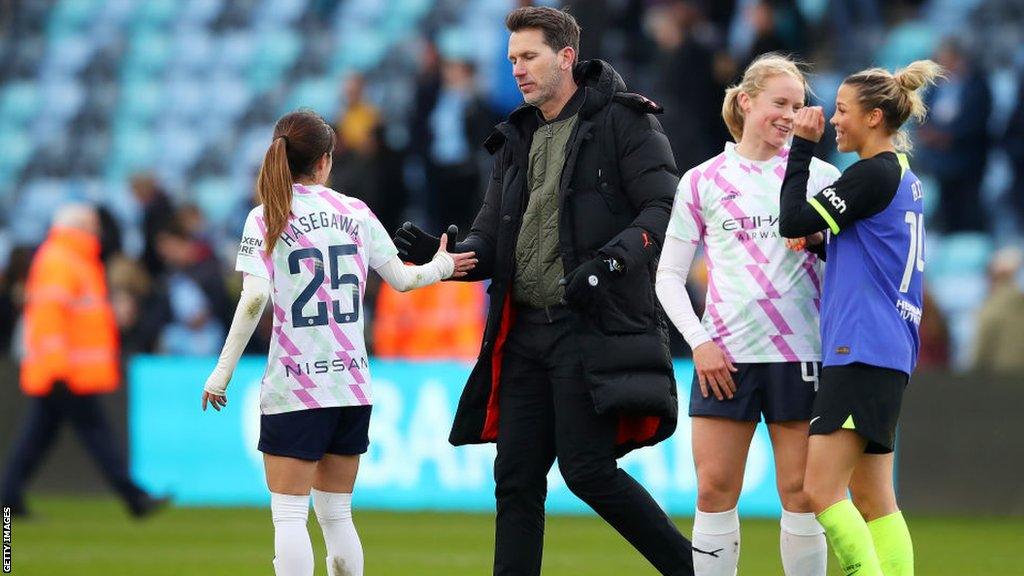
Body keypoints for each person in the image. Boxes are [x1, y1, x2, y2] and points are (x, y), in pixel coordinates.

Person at [394, 7, 693, 575]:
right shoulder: (517, 134)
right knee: (516, 481)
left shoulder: (625, 122)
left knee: (587, 470)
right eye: (511, 60)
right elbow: (489, 234)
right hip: (524, 329)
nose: (518, 70)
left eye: (528, 57)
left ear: (565, 58)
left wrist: (609, 264)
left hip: (589, 324)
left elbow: (665, 205)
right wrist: (443, 256)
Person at [200, 109, 474, 576]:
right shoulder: (355, 211)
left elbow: (254, 297)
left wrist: (221, 373)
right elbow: (404, 281)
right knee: (337, 515)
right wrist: (445, 266)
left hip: (296, 385)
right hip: (351, 384)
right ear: (325, 161)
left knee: (289, 515)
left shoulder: (267, 215)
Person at [656, 53, 840, 576]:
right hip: (724, 357)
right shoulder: (702, 180)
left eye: (799, 105)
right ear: (745, 101)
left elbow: (845, 268)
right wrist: (699, 342)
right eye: (780, 103)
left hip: (800, 353)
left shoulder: (820, 175)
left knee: (802, 494)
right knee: (714, 490)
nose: (791, 115)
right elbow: (668, 275)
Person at [778, 60, 945, 576]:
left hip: (859, 347)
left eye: (843, 111)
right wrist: (825, 244)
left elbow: (792, 219)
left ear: (875, 118)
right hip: (889, 347)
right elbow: (874, 253)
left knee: (819, 489)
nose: (833, 120)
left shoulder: (870, 174)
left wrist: (801, 147)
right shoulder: (902, 178)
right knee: (875, 499)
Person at [0, 204, 167, 519]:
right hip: (65, 371)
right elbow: (49, 320)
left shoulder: (72, 260)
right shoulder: (61, 261)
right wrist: (57, 365)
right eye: (91, 225)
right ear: (77, 227)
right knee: (95, 435)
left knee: (39, 438)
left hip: (66, 370)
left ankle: (9, 499)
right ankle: (134, 497)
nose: (97, 231)